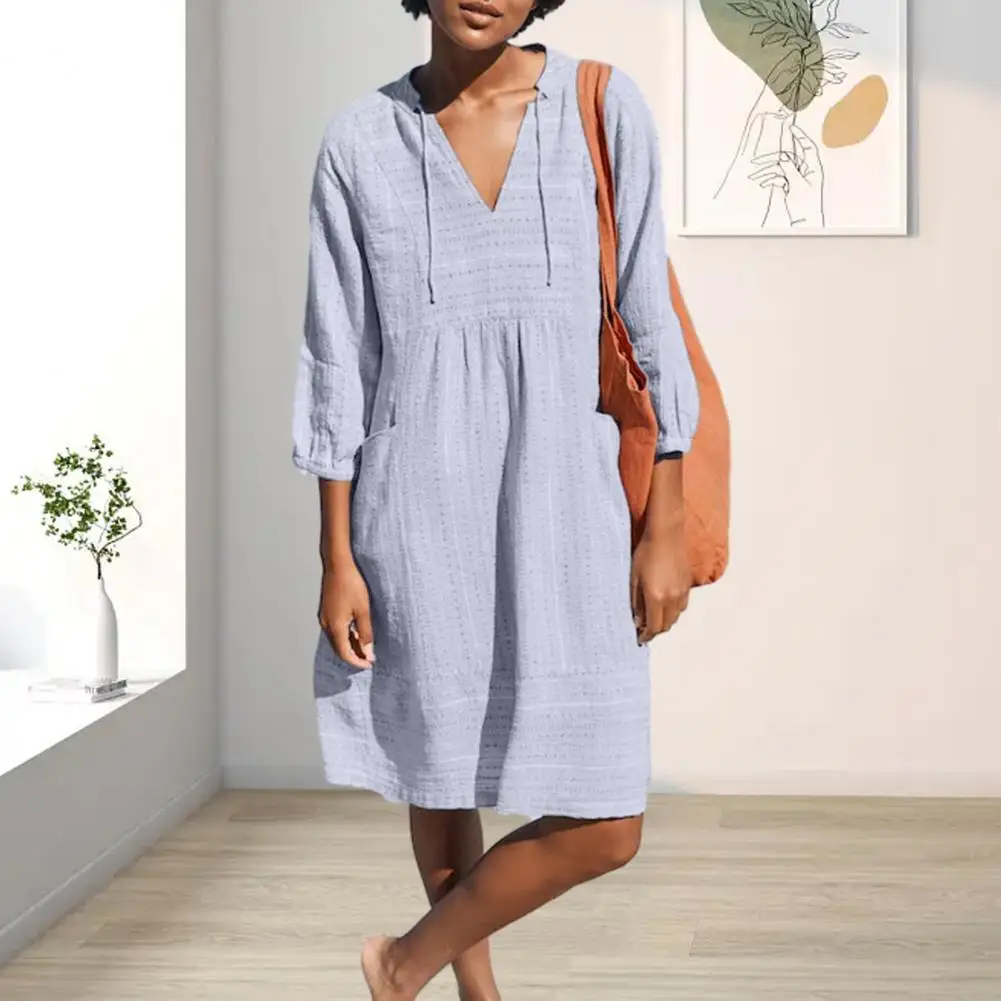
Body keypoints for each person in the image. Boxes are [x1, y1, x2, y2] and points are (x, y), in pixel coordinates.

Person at [291, 1, 700, 998]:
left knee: (607, 822)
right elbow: (336, 362)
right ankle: (476, 992)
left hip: (569, 506)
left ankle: (401, 963)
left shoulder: (601, 108)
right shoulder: (358, 143)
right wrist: (336, 556)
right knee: (441, 766)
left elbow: (647, 319)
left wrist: (666, 520)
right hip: (413, 509)